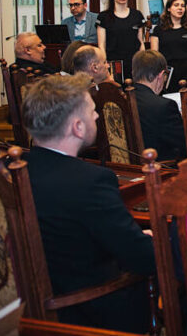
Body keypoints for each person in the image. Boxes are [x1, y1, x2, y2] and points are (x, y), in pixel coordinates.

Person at [22, 74, 155, 332]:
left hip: (21, 311)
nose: (97, 116)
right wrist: (150, 240)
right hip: (84, 314)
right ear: (77, 127)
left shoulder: (8, 172)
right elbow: (144, 259)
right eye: (93, 111)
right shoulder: (90, 182)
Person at [131, 50, 186, 161]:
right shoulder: (164, 106)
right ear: (161, 75)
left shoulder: (121, 100)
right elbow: (185, 144)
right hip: (160, 168)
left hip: (126, 167)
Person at [150, 0, 187, 91]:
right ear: (169, 8)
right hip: (168, 72)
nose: (180, 8)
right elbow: (155, 54)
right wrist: (158, 75)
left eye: (182, 6)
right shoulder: (158, 30)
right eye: (176, 5)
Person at [96, 0, 145, 81]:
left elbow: (141, 42)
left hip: (134, 63)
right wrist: (105, 65)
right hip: (114, 64)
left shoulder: (137, 15)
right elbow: (101, 45)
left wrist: (143, 62)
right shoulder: (104, 17)